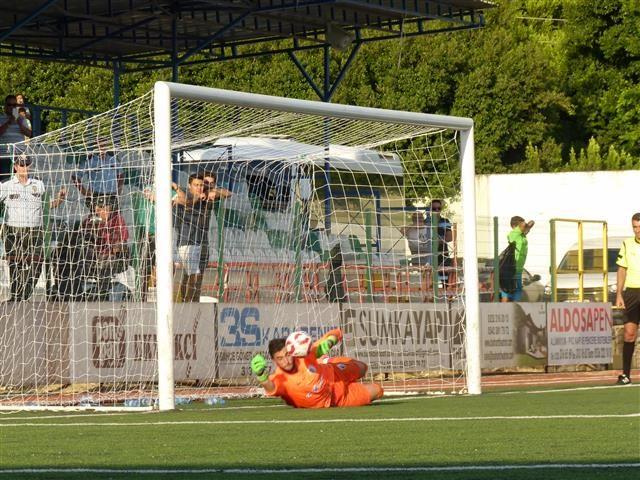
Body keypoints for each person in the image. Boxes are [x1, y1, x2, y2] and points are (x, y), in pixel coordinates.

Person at [250, 328, 384, 408]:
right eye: (280, 358)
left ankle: (326, 360)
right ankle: (326, 362)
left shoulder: (304, 353)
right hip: (336, 398)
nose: (286, 361)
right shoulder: (280, 378)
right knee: (378, 390)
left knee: (363, 368)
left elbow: (337, 333)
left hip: (333, 372)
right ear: (274, 361)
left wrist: (329, 342)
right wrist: (261, 375)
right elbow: (271, 387)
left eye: (287, 355)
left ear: (292, 351)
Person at [0, 154, 65, 301]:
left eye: (27, 164)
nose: (24, 167)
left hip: (35, 230)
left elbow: (47, 207)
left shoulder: (38, 184)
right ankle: (15, 296)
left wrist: (60, 199)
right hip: (13, 230)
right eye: (21, 164)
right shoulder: (6, 185)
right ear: (15, 167)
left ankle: (25, 293)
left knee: (37, 261)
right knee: (15, 263)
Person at [173, 172, 230, 302]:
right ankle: (189, 305)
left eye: (211, 184)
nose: (204, 186)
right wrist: (199, 196)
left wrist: (214, 192)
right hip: (187, 241)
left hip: (203, 242)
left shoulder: (209, 197)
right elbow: (187, 201)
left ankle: (193, 302)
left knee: (195, 277)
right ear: (191, 185)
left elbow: (228, 193)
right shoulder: (188, 194)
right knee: (194, 276)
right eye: (204, 183)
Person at [80, 195, 130, 301]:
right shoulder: (89, 221)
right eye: (99, 207)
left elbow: (122, 242)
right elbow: (81, 240)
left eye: (105, 207)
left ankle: (103, 292)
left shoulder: (118, 220)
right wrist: (92, 233)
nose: (101, 210)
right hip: (93, 256)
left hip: (112, 256)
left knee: (109, 260)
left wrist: (113, 243)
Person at [615, 212, 640, 385]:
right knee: (629, 334)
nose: (637, 230)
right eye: (635, 227)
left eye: (639, 226)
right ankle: (625, 375)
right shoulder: (627, 244)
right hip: (632, 293)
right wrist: (619, 294)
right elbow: (622, 269)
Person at [71, 137, 123, 206]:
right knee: (97, 216)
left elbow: (121, 174)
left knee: (114, 216)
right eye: (100, 145)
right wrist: (84, 191)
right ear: (95, 146)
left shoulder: (112, 160)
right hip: (97, 196)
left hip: (112, 195)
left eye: (104, 145)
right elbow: (75, 176)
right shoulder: (90, 161)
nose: (102, 148)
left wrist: (118, 190)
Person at [501, 216, 534, 302]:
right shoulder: (513, 234)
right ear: (515, 226)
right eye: (521, 224)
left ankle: (514, 307)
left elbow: (531, 223)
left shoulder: (521, 235)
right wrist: (525, 225)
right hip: (512, 266)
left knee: (517, 289)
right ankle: (507, 308)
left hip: (518, 268)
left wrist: (527, 226)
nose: (524, 226)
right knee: (508, 290)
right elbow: (524, 226)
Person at [0, 95, 32, 180]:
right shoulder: (0, 118)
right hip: (5, 156)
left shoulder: (21, 118)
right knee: (5, 182)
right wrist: (9, 122)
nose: (12, 107)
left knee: (21, 182)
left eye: (14, 105)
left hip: (20, 156)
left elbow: (29, 134)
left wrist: (19, 123)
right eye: (9, 105)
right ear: (5, 106)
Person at [425, 199, 454, 279]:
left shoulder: (445, 221)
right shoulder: (426, 222)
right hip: (429, 254)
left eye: (439, 208)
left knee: (445, 280)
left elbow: (450, 237)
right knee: (429, 280)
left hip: (443, 253)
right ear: (430, 209)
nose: (437, 210)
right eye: (434, 209)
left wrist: (435, 241)